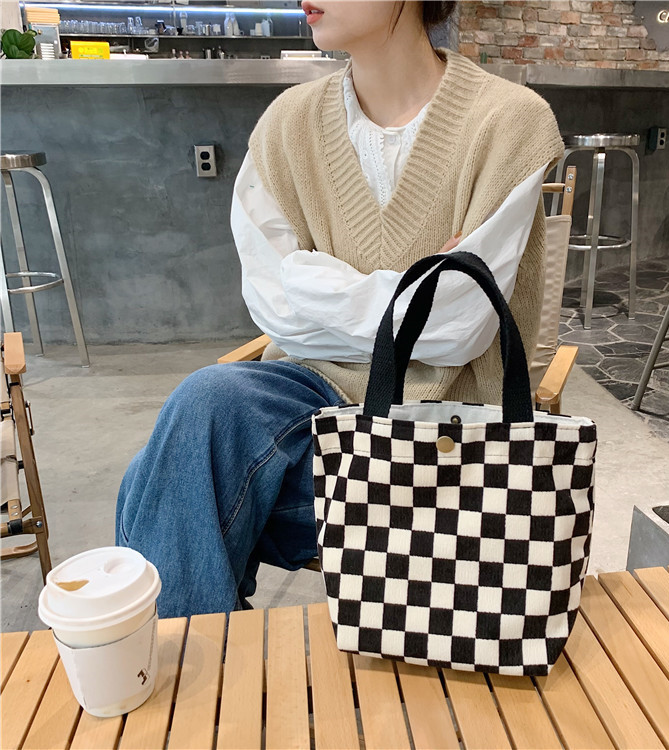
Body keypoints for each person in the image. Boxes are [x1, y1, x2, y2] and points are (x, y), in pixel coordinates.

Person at [116, 0, 564, 618]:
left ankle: (196, 665)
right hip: (307, 411)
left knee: (158, 485)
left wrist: (315, 279)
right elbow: (275, 306)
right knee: (199, 419)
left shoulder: (508, 122)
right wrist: (414, 290)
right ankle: (205, 660)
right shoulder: (287, 124)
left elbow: (458, 327)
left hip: (445, 447)